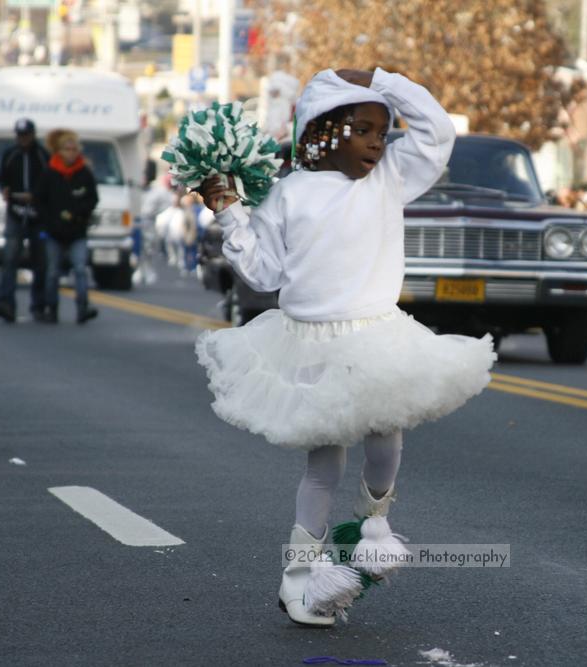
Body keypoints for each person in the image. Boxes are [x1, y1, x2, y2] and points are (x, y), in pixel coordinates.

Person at [196, 68, 496, 628]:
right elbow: (263, 274)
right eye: (363, 129)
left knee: (387, 441)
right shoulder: (290, 192)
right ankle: (300, 581)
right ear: (325, 131)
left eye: (383, 130)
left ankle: (370, 529)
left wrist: (385, 79)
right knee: (324, 466)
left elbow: (437, 131)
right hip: (311, 342)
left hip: (377, 335)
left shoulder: (391, 178)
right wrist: (230, 213)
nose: (378, 141)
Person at [35, 129, 99, 324]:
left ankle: (82, 306)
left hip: (77, 230)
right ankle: (51, 307)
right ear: (59, 151)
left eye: (74, 149)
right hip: (54, 232)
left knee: (80, 268)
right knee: (53, 271)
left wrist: (78, 213)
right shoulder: (50, 172)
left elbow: (92, 199)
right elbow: (40, 200)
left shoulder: (84, 173)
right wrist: (50, 220)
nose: (71, 153)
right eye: (67, 149)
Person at [0, 118, 50, 323]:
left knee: (40, 262)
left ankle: (39, 304)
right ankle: (6, 302)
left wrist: (35, 196)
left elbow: (50, 182)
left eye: (26, 135)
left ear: (33, 135)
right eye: (20, 135)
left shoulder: (42, 155)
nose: (23, 139)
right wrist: (5, 191)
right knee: (10, 259)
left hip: (38, 215)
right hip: (15, 213)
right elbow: (1, 179)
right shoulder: (10, 154)